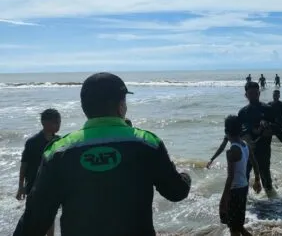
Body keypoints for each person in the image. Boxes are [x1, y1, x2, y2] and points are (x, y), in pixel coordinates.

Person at [13, 72, 191, 236]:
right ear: (121, 107)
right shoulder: (147, 143)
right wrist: (185, 177)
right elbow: (176, 192)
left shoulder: (58, 150)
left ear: (84, 107)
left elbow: (35, 219)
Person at [207, 82, 282, 198]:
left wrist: (268, 129)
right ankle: (246, 206)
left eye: (255, 93)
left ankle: (274, 205)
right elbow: (237, 132)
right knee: (244, 179)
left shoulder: (268, 109)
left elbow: (277, 128)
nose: (253, 96)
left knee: (266, 180)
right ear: (246, 95)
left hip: (264, 149)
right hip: (247, 151)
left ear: (259, 93)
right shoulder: (242, 112)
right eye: (250, 93)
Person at [16, 108, 61, 236]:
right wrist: (21, 187)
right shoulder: (32, 142)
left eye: (59, 122)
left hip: (52, 186)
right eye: (55, 122)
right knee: (34, 215)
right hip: (34, 185)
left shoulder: (59, 141)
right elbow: (24, 165)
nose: (58, 125)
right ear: (44, 123)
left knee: (50, 215)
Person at [219, 115, 262, 236]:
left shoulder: (232, 151)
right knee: (239, 226)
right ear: (240, 130)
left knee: (234, 229)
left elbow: (230, 177)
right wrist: (257, 180)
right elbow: (254, 162)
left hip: (234, 191)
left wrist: (223, 199)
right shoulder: (245, 145)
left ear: (226, 132)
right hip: (244, 188)